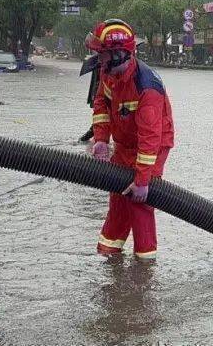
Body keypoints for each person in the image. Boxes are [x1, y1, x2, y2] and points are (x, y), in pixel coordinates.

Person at [87, 19, 175, 260]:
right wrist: (101, 139)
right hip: (124, 144)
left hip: (152, 149)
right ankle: (109, 252)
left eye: (102, 54)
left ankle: (144, 268)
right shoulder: (109, 74)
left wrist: (143, 179)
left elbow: (150, 137)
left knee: (139, 201)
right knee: (118, 195)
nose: (98, 59)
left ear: (118, 55)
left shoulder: (147, 87)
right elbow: (101, 104)